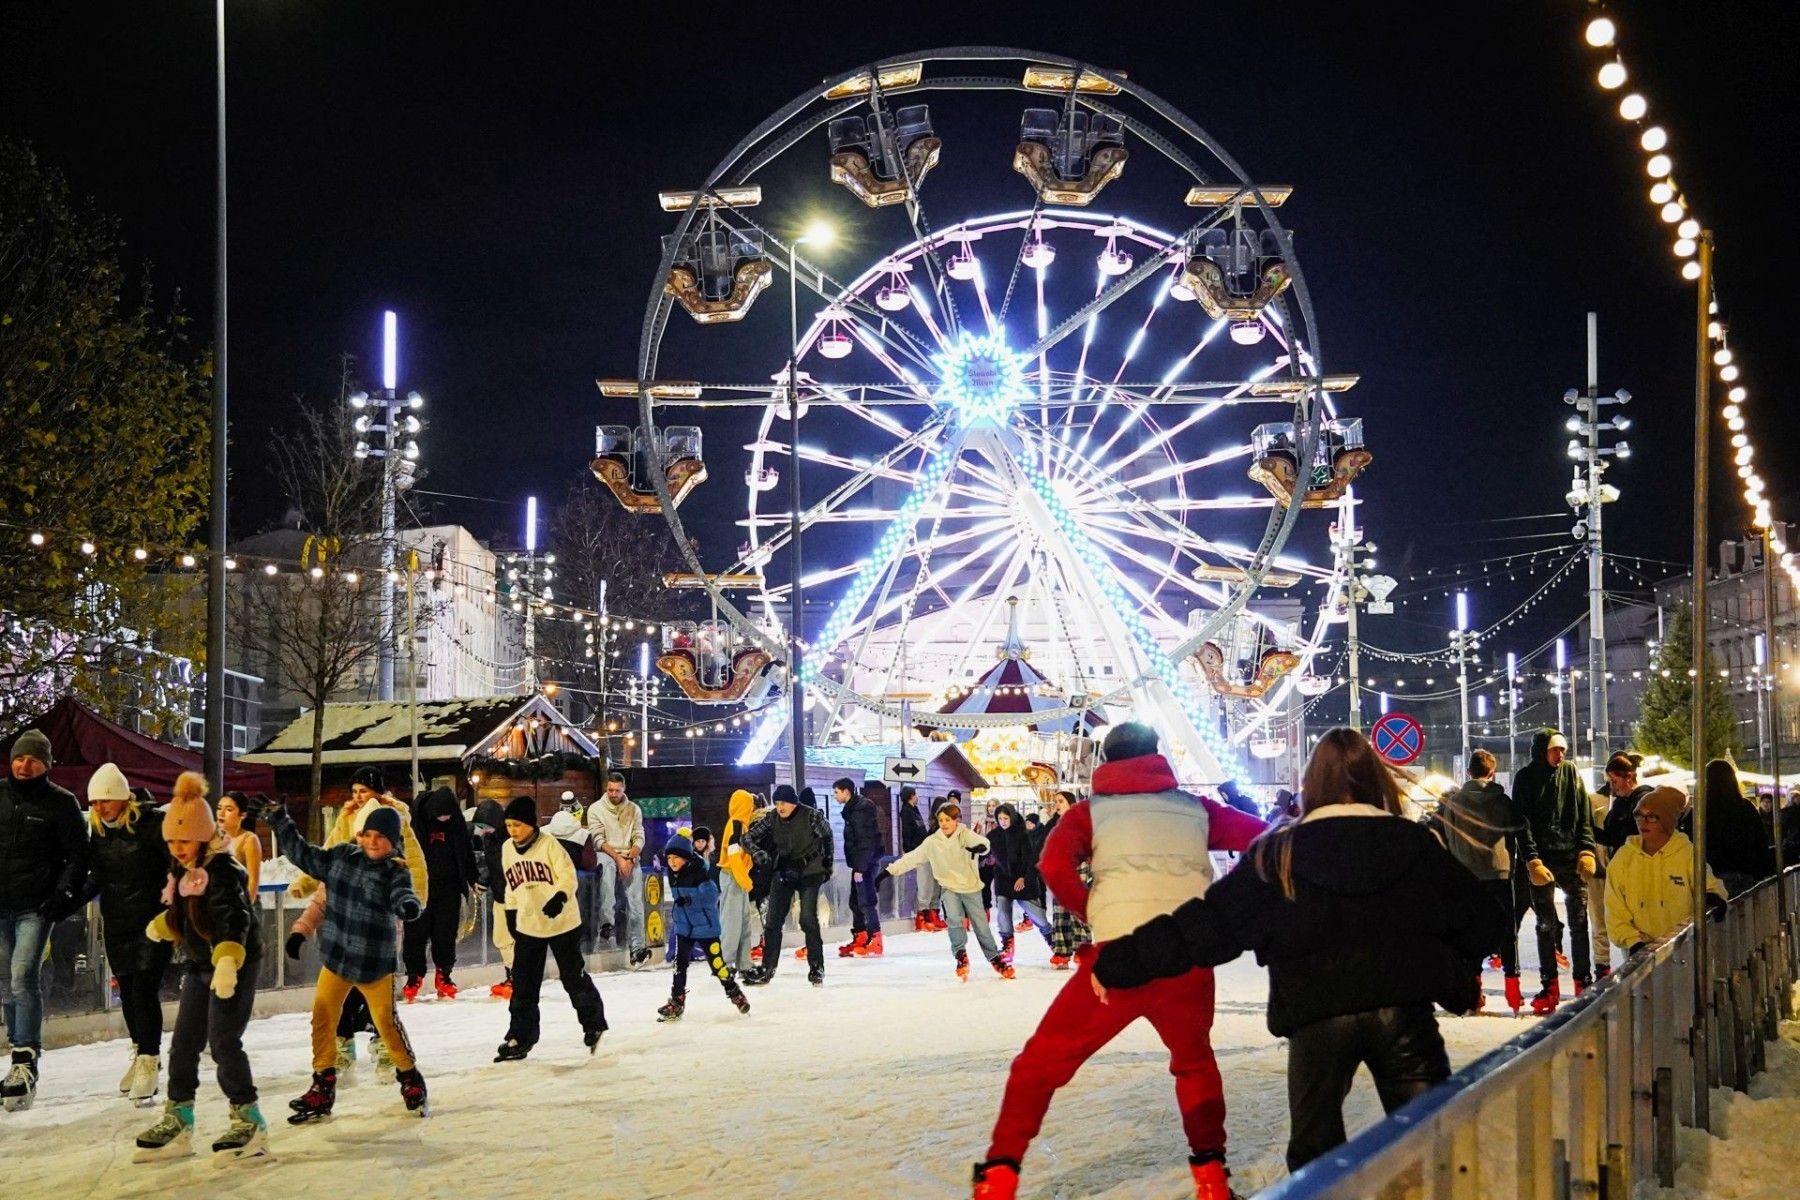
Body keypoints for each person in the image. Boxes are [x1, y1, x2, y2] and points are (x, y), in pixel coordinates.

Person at [1092, 727, 1506, 1177]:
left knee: (1316, 1154)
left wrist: (1120, 963)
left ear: (1312, 785)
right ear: (1375, 779)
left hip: (1316, 1017)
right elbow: (1484, 919)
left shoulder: (1279, 852)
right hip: (1402, 1011)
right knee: (1433, 1142)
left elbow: (1208, 926)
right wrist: (1447, 965)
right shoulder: (1413, 843)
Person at [973, 722, 1269, 1200]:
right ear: (1157, 753)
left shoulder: (1092, 812)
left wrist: (1091, 908)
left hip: (1116, 960)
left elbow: (1052, 865)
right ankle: (1211, 1177)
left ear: (1105, 761)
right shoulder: (1196, 809)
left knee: (1041, 1063)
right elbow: (1264, 839)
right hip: (1186, 958)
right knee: (1193, 1062)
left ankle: (999, 1176)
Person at [261, 795, 428, 1122]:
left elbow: (403, 894)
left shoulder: (395, 872)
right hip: (337, 958)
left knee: (385, 1023)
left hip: (373, 964)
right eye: (368, 834)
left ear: (393, 842)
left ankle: (410, 1077)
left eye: (381, 837)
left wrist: (408, 906)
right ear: (358, 835)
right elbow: (303, 855)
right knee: (323, 1015)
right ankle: (323, 1084)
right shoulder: (340, 858)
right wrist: (281, 821)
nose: (373, 841)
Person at [133, 773, 269, 1163]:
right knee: (184, 1043)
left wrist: (227, 961)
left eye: (184, 840)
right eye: (172, 841)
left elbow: (233, 920)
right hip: (199, 962)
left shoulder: (224, 871)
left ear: (203, 835)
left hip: (235, 963)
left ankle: (249, 1119)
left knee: (224, 1040)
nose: (177, 848)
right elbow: (182, 912)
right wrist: (165, 925)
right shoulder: (181, 870)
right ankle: (179, 1116)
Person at [285, 765, 427, 1079]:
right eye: (355, 791)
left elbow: (412, 867)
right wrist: (304, 887)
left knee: (381, 1010)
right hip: (342, 936)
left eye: (365, 790)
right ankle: (339, 1048)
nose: (359, 796)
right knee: (332, 1004)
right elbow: (319, 859)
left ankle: (388, 1052)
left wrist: (413, 901)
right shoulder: (344, 836)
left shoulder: (395, 824)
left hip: (379, 932)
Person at [0, 728, 86, 1113]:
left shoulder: (61, 804)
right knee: (5, 981)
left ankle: (26, 1057)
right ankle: (17, 1052)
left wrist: (62, 895)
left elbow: (77, 856)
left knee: (22, 975)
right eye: (20, 757)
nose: (24, 764)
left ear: (46, 765)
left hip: (36, 905)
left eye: (33, 759)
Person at [82, 763, 172, 1105]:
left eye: (105, 800)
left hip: (151, 923)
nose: (100, 808)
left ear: (122, 797)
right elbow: (96, 877)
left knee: (145, 991)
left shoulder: (151, 825)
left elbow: (175, 865)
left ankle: (149, 1059)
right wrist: (65, 902)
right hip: (118, 924)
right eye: (94, 803)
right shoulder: (100, 834)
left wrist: (174, 906)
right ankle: (140, 1053)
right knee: (129, 993)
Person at [494, 796, 607, 1062]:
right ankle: (520, 1036)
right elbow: (511, 884)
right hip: (529, 925)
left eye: (518, 825)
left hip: (563, 923)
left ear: (532, 825)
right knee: (523, 985)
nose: (513, 830)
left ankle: (593, 1023)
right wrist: (511, 913)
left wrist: (559, 897)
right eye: (509, 825)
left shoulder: (550, 846)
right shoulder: (507, 849)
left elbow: (567, 876)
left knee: (572, 977)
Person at [1429, 749, 1523, 1013]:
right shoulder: (1502, 801)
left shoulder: (1454, 802)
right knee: (1507, 931)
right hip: (1498, 872)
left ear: (1468, 772)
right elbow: (1516, 831)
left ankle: (1474, 994)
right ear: (1491, 772)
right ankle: (1513, 990)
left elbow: (1447, 834)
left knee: (1469, 933)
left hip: (1466, 875)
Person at [874, 802, 1010, 980]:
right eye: (941, 820)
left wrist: (980, 848)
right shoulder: (932, 842)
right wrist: (887, 871)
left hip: (970, 887)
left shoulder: (964, 835)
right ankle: (961, 955)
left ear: (956, 820)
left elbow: (984, 842)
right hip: (949, 887)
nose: (944, 823)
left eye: (948, 819)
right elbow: (912, 858)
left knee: (981, 926)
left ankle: (994, 957)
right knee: (953, 919)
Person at [1513, 728, 1598, 1011]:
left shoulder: (1571, 773)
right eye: (1554, 750)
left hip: (1571, 858)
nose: (1560, 755)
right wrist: (1532, 859)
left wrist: (1586, 849)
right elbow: (1521, 823)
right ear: (1542, 751)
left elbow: (1583, 813)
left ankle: (1583, 982)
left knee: (1579, 923)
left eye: (1563, 750)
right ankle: (1549, 987)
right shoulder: (1525, 778)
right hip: (1541, 860)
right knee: (1545, 924)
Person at [1607, 786, 1728, 953]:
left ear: (1667, 820)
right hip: (1639, 953)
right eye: (1639, 815)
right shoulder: (1623, 858)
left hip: (1683, 948)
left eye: (1652, 817)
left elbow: (1710, 885)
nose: (1643, 822)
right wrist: (1632, 940)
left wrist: (1713, 897)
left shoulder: (1686, 853)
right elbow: (1614, 907)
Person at [742, 784, 833, 987]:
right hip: (783, 872)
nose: (780, 807)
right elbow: (746, 838)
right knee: (773, 922)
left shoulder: (811, 816)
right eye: (777, 803)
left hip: (810, 872)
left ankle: (816, 966)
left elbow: (827, 835)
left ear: (793, 803)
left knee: (807, 919)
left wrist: (828, 863)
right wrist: (757, 852)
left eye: (783, 803)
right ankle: (767, 968)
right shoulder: (772, 818)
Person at [656, 833, 750, 1022]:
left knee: (717, 965)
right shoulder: (673, 873)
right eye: (669, 858)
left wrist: (690, 899)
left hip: (705, 926)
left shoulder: (700, 871)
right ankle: (677, 1001)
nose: (672, 862)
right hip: (684, 926)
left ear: (685, 857)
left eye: (676, 858)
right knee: (679, 965)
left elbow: (711, 894)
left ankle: (734, 993)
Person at [403, 787, 479, 1002]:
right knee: (416, 934)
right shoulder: (415, 823)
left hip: (450, 889)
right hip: (419, 890)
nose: (445, 819)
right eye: (441, 815)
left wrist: (473, 878)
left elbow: (466, 852)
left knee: (445, 934)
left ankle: (444, 974)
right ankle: (413, 976)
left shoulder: (456, 825)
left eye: (449, 815)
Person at [585, 772, 650, 967]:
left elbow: (639, 835)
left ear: (623, 790)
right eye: (610, 790)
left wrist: (631, 856)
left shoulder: (634, 809)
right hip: (607, 853)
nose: (613, 794)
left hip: (629, 855)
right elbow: (598, 839)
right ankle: (607, 922)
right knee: (606, 868)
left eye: (617, 790)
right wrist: (618, 859)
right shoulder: (596, 809)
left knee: (636, 901)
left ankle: (637, 948)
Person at [1689, 759, 1776, 896]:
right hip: (1744, 874)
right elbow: (1760, 841)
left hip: (1710, 876)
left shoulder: (1700, 811)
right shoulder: (1745, 808)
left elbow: (1691, 844)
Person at [988, 803, 1053, 960]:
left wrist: (1024, 877)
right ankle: (1007, 944)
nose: (1003, 821)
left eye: (1006, 818)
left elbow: (1031, 859)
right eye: (1000, 818)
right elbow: (984, 852)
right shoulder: (993, 836)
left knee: (1036, 914)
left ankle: (1052, 939)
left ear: (1012, 817)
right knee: (1003, 911)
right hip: (1003, 880)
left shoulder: (1023, 834)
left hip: (1022, 880)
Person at [469, 797, 513, 998]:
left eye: (485, 826)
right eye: (480, 827)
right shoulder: (489, 839)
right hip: (500, 895)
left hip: (517, 898)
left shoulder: (512, 838)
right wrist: (485, 879)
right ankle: (511, 975)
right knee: (501, 938)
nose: (483, 830)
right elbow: (493, 865)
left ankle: (519, 977)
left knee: (515, 939)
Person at [837, 777, 884, 958]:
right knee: (855, 902)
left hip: (865, 863)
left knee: (866, 900)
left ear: (846, 792)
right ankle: (861, 935)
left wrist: (860, 867)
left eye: (836, 792)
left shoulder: (860, 811)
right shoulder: (852, 810)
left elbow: (865, 841)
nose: (835, 796)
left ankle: (875, 939)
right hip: (859, 862)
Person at [1042, 791, 1089, 970]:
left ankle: (1082, 948)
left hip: (1078, 868)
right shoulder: (1054, 823)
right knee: (1060, 912)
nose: (1057, 804)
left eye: (1060, 801)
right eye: (1056, 801)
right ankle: (1062, 950)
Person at [717, 791, 759, 976]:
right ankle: (724, 963)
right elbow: (734, 857)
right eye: (750, 804)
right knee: (732, 922)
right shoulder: (735, 825)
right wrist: (745, 880)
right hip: (732, 877)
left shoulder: (742, 826)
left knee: (744, 922)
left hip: (738, 878)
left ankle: (744, 963)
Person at [216, 793, 262, 899]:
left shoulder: (249, 840)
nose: (221, 813)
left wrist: (244, 910)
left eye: (229, 809)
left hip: (239, 903)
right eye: (219, 808)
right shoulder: (212, 837)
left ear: (242, 815)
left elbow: (253, 882)